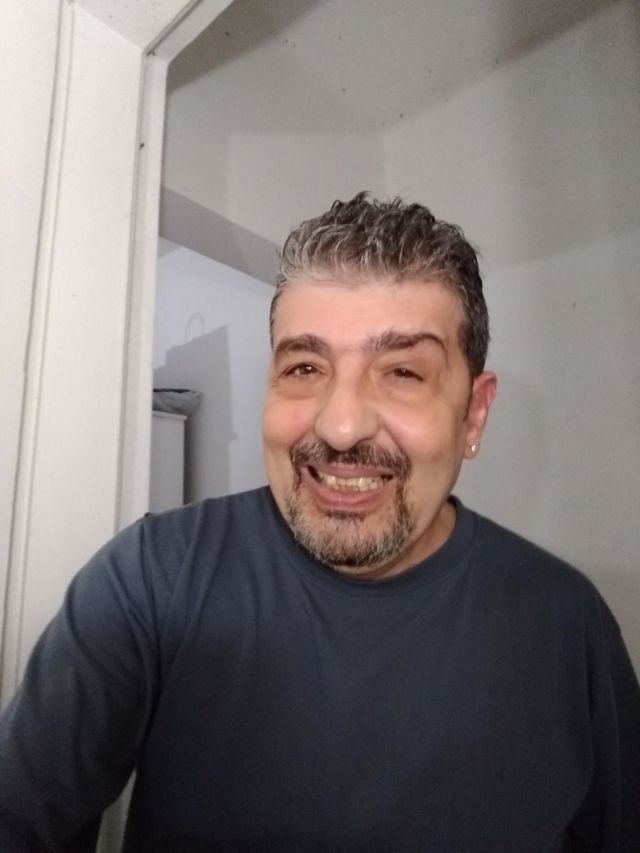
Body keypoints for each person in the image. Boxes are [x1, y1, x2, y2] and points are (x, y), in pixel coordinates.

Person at [1, 193, 639, 852]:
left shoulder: (569, 628)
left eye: (402, 372)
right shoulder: (150, 581)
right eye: (305, 367)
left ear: (473, 414)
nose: (339, 426)